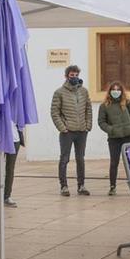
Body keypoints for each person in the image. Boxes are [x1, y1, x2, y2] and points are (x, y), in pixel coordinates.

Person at [51, 64, 92, 196]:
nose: (74, 77)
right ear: (66, 76)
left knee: (80, 159)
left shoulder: (84, 91)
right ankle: (64, 186)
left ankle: (81, 186)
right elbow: (54, 112)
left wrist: (88, 126)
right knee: (64, 159)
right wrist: (63, 128)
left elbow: (88, 109)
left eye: (76, 75)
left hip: (82, 131)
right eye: (71, 75)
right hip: (67, 132)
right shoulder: (59, 92)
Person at [97, 81, 130, 196]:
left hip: (128, 136)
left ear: (121, 91)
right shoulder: (104, 106)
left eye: (118, 89)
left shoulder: (127, 103)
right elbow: (101, 122)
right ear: (110, 91)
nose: (116, 92)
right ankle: (112, 186)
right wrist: (111, 130)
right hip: (114, 138)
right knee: (114, 162)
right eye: (114, 89)